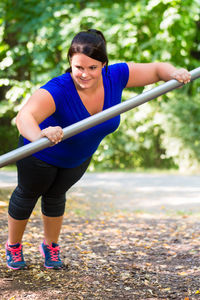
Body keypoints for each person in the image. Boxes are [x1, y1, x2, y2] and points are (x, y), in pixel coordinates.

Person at [5, 29, 191, 270]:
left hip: (77, 158)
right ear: (70, 63)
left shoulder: (116, 76)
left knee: (55, 197)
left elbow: (157, 69)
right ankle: (14, 246)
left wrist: (173, 73)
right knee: (27, 196)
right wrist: (39, 134)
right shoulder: (59, 89)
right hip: (41, 154)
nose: (84, 74)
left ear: (104, 64)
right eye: (78, 67)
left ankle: (50, 246)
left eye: (92, 68)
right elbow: (24, 117)